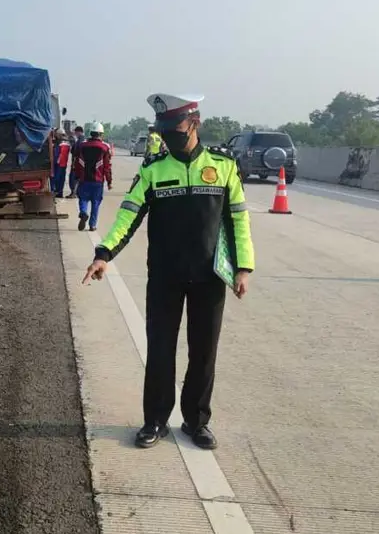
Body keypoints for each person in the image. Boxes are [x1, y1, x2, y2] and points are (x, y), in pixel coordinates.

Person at [82, 93, 254, 451]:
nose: (167, 136)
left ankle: (196, 421)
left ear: (195, 123)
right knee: (160, 351)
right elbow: (128, 215)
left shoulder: (222, 167)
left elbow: (238, 219)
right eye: (163, 130)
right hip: (164, 277)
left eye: (174, 129)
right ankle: (155, 421)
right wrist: (104, 253)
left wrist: (243, 268)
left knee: (203, 353)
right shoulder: (153, 169)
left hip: (210, 279)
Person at [73, 122, 113, 232]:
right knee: (96, 203)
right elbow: (107, 167)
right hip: (98, 181)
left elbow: (77, 162)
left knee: (83, 199)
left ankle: (83, 212)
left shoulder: (82, 146)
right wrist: (109, 181)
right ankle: (92, 225)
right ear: (101, 134)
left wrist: (76, 176)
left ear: (91, 133)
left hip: (84, 179)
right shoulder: (104, 148)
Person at [66, 125, 86, 199]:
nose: (75, 134)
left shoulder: (80, 141)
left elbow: (75, 151)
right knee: (76, 178)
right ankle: (75, 192)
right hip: (80, 163)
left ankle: (73, 193)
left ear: (78, 132)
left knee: (74, 178)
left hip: (76, 162)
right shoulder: (82, 140)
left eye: (75, 132)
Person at [51, 130, 71, 197]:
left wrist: (55, 162)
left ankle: (55, 192)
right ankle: (60, 193)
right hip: (64, 164)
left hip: (58, 164)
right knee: (61, 179)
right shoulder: (67, 142)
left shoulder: (59, 143)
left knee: (55, 178)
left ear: (59, 134)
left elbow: (58, 154)